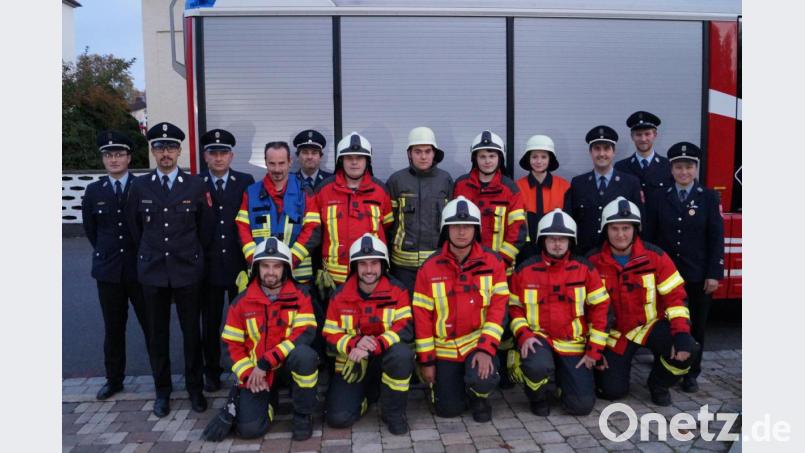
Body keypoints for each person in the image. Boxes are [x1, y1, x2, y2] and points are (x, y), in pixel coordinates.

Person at [125, 121, 214, 417]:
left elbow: (205, 228)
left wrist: (190, 255)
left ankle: (194, 389)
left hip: (187, 270)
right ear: (152, 151)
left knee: (192, 334)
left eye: (171, 147)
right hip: (152, 272)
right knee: (157, 335)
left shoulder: (196, 185)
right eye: (160, 147)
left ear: (179, 151)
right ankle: (162, 391)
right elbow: (134, 228)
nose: (166, 153)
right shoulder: (139, 186)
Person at [202, 238, 319, 442]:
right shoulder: (241, 302)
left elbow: (304, 333)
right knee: (249, 430)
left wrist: (268, 361)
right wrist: (248, 375)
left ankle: (303, 415)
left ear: (285, 269)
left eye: (276, 266)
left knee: (305, 356)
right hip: (257, 373)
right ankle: (268, 400)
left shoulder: (301, 297)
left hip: (288, 367)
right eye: (265, 266)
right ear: (257, 268)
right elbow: (230, 347)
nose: (271, 272)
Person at [588, 197, 697, 406]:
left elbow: (676, 299)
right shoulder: (593, 262)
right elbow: (585, 310)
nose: (620, 234)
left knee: (689, 350)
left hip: (650, 325)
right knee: (612, 391)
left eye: (626, 228)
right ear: (605, 230)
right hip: (616, 334)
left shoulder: (656, 257)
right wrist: (594, 348)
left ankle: (659, 384)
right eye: (615, 228)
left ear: (636, 229)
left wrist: (681, 334)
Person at [413, 196, 508, 422]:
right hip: (445, 349)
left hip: (478, 344)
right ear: (446, 230)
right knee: (447, 411)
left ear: (476, 230)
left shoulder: (493, 262)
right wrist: (427, 361)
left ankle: (480, 397)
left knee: (482, 380)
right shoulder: (429, 267)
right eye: (455, 226)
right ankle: (453, 389)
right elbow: (422, 318)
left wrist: (486, 349)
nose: (461, 232)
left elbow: (499, 309)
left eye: (467, 226)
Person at [508, 209, 610, 416]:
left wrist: (594, 351)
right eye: (552, 239)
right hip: (538, 339)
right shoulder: (525, 271)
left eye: (562, 239)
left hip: (573, 342)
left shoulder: (585, 270)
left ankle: (562, 382)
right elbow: (514, 307)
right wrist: (524, 334)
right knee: (537, 366)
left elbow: (601, 310)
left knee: (581, 406)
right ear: (542, 240)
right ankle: (538, 397)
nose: (557, 244)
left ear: (570, 241)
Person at [643, 142, 724, 393]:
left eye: (689, 167)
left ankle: (691, 373)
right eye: (679, 167)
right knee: (664, 324)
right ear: (672, 168)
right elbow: (650, 238)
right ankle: (664, 365)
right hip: (665, 277)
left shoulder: (709, 197)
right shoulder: (659, 196)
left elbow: (715, 237)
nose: (684, 172)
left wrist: (713, 273)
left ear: (695, 168)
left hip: (697, 276)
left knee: (696, 326)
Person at [81, 130, 150, 400]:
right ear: (104, 160)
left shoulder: (142, 186)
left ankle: (161, 378)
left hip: (139, 269)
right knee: (113, 328)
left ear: (129, 157)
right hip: (109, 271)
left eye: (119, 154)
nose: (114, 159)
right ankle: (114, 379)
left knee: (151, 326)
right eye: (109, 155)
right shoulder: (94, 190)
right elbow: (92, 230)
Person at [322, 234, 414, 434]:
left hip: (385, 358)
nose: (369, 270)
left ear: (384, 265)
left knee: (402, 355)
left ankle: (394, 413)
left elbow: (405, 327)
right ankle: (368, 396)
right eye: (363, 264)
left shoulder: (398, 291)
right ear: (354, 266)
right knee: (338, 418)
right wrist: (354, 343)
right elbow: (329, 334)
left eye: (374, 263)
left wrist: (374, 345)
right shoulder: (339, 296)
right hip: (352, 362)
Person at [290, 132, 394, 295]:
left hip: (370, 278)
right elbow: (315, 230)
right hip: (333, 280)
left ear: (367, 161)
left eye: (359, 158)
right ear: (340, 161)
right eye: (348, 158)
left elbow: (387, 226)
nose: (354, 162)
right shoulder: (323, 190)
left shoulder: (381, 190)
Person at [198, 128, 255, 392]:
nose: (218, 158)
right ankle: (211, 371)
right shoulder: (196, 183)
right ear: (205, 156)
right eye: (213, 153)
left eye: (223, 153)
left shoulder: (245, 182)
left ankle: (241, 368)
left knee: (243, 322)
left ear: (232, 156)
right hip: (207, 267)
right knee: (210, 323)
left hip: (238, 266)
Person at [386, 126, 454, 290]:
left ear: (434, 153)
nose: (423, 156)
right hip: (402, 266)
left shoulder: (445, 180)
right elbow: (387, 224)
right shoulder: (396, 181)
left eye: (427, 151)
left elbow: (451, 223)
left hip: (437, 262)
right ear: (409, 153)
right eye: (417, 151)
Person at [237, 141, 313, 284]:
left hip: (298, 275)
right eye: (272, 163)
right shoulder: (251, 192)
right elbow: (242, 228)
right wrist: (257, 260)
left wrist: (290, 260)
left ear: (290, 162)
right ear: (265, 162)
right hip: (262, 275)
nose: (277, 169)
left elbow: (313, 229)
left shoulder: (304, 192)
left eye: (281, 163)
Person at [453, 130, 527, 275]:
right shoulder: (461, 185)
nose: (487, 161)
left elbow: (518, 230)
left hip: (500, 268)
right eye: (482, 156)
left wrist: (501, 260)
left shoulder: (510, 189)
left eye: (492, 156)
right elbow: (451, 227)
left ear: (500, 158)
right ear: (475, 159)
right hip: (465, 266)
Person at [564, 125, 643, 255]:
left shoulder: (630, 183)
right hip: (585, 255)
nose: (602, 154)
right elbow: (571, 221)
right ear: (590, 152)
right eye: (597, 149)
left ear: (614, 152)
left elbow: (640, 223)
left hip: (618, 255)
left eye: (606, 149)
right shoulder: (578, 183)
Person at [515, 135, 571, 264]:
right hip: (525, 253)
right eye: (534, 157)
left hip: (556, 252)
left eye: (543, 157)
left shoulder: (564, 186)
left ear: (550, 159)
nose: (539, 161)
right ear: (528, 159)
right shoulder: (517, 187)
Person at [614, 111, 672, 207]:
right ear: (632, 137)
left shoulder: (668, 166)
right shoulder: (621, 167)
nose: (643, 139)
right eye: (638, 134)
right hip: (632, 221)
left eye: (647, 134)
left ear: (655, 135)